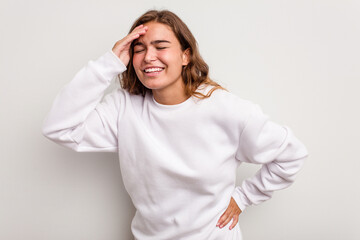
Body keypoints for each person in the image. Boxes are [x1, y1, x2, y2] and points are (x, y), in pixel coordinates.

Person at [42, 9, 308, 240]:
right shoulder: (123, 108)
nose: (148, 57)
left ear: (185, 55)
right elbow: (60, 128)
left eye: (160, 46)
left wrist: (244, 197)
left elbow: (291, 155)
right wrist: (108, 64)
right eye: (139, 48)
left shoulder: (225, 109)